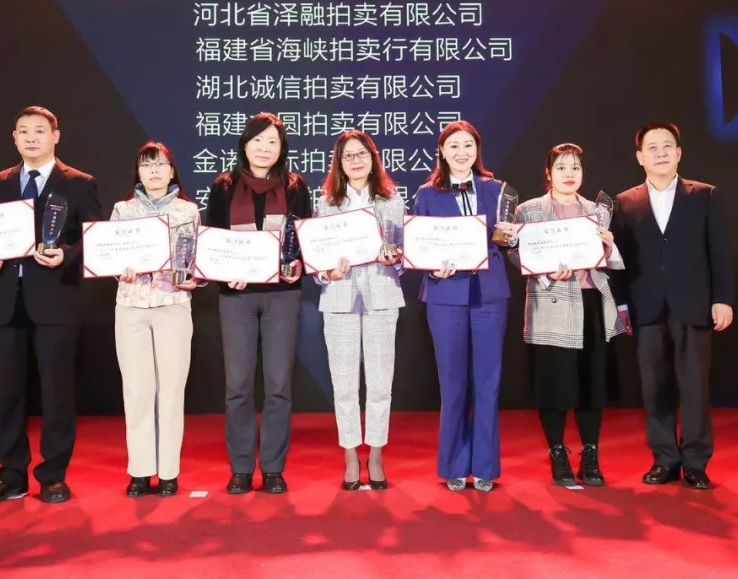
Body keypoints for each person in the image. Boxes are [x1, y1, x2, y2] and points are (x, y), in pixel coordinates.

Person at [0, 106, 102, 504]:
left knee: (57, 392)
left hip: (55, 301)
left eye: (39, 131)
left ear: (55, 136)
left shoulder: (78, 183)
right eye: (24, 131)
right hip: (5, 302)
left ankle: (53, 475)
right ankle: (10, 475)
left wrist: (66, 254)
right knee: (7, 393)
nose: (31, 138)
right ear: (14, 138)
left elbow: (93, 238)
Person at [611, 122, 734, 490]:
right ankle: (664, 459)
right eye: (652, 147)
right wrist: (620, 306)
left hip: (694, 305)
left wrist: (723, 298)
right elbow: (619, 261)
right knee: (654, 388)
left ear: (679, 153)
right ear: (640, 157)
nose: (660, 152)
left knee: (695, 387)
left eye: (667, 146)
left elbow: (719, 252)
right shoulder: (624, 202)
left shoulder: (704, 195)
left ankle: (696, 463)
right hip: (646, 307)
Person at [203, 112, 311, 494]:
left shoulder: (295, 186)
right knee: (238, 386)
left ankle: (274, 468)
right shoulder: (224, 186)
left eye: (273, 141)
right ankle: (241, 468)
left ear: (282, 148)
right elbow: (212, 239)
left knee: (279, 385)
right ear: (244, 145)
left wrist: (299, 264)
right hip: (237, 297)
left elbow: (305, 238)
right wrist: (224, 273)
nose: (265, 148)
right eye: (258, 140)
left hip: (283, 295)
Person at [509, 143, 626, 486]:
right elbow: (516, 254)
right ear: (548, 173)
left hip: (592, 303)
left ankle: (590, 454)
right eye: (561, 167)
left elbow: (611, 262)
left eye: (575, 167)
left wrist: (608, 247)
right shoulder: (529, 211)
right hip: (550, 303)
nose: (569, 174)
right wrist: (546, 273)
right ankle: (557, 453)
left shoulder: (597, 211)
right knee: (554, 384)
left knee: (592, 384)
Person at [411, 120, 518, 492]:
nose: (461, 152)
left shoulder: (496, 189)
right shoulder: (427, 193)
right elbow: (418, 244)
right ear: (442, 151)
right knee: (453, 383)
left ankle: (485, 466)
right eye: (454, 146)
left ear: (477, 150)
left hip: (489, 293)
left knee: (488, 383)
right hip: (445, 294)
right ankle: (455, 465)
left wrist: (512, 238)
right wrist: (432, 266)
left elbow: (507, 239)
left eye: (468, 145)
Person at [314, 130, 405, 490]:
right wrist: (327, 273)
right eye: (348, 155)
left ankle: (377, 453)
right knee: (344, 384)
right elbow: (317, 259)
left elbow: (404, 253)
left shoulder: (392, 200)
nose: (355, 160)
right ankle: (351, 454)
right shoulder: (325, 204)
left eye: (361, 154)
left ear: (372, 159)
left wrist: (395, 259)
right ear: (339, 163)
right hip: (340, 297)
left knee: (381, 383)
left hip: (382, 295)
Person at [110, 142, 199, 498]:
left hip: (172, 304)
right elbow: (109, 254)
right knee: (136, 389)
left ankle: (168, 472)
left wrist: (194, 279)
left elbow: (196, 262)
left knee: (171, 389)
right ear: (138, 172)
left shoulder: (187, 210)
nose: (154, 171)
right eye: (147, 165)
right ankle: (140, 470)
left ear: (172, 171)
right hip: (131, 305)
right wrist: (119, 270)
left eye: (161, 164)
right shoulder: (123, 210)